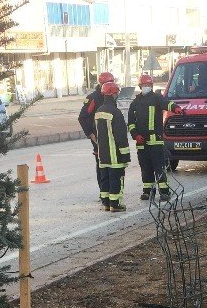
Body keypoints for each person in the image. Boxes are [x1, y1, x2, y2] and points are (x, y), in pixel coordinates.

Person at [127, 74, 182, 201]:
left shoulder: (157, 98)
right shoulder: (135, 103)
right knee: (146, 168)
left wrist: (176, 108)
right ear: (140, 86)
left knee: (159, 167)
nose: (146, 87)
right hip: (142, 143)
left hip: (155, 142)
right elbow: (130, 123)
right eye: (144, 85)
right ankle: (148, 191)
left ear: (151, 86)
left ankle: (164, 192)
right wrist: (135, 135)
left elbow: (167, 103)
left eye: (149, 85)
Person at [93, 81, 131, 212]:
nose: (117, 95)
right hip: (115, 155)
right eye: (117, 93)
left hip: (103, 155)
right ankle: (115, 204)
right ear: (113, 94)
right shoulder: (116, 112)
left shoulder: (98, 111)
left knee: (105, 179)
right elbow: (121, 136)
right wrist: (125, 155)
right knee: (116, 179)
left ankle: (106, 203)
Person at [78, 71, 115, 202]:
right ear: (101, 84)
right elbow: (82, 117)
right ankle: (103, 192)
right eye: (107, 83)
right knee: (101, 165)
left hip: (110, 136)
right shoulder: (93, 98)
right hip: (98, 137)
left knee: (112, 164)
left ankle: (112, 191)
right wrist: (91, 135)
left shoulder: (111, 96)